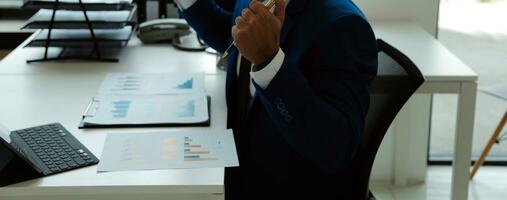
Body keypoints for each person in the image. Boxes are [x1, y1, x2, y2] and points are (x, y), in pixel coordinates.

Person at [174, 0, 378, 199]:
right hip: (237, 166)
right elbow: (236, 41)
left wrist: (268, 61)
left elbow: (336, 149)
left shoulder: (343, 24)